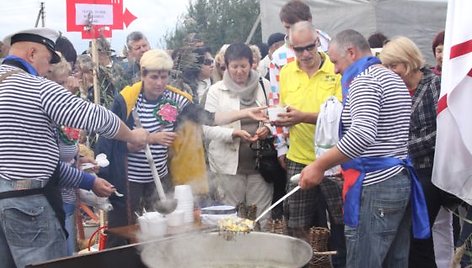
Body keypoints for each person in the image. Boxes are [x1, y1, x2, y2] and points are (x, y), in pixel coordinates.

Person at [0, 27, 148, 268]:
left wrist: (89, 182)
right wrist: (131, 134)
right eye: (47, 60)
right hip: (27, 205)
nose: (47, 69)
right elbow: (97, 118)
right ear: (32, 52)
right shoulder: (35, 87)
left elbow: (43, 163)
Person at [96, 48, 267, 248]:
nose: (159, 83)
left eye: (164, 76)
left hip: (159, 175)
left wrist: (244, 113)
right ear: (143, 75)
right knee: (122, 229)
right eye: (153, 77)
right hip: (129, 176)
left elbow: (207, 117)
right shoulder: (127, 100)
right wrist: (151, 138)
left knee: (164, 227)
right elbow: (112, 137)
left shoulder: (176, 99)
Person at [299, 29, 430, 267]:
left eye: (336, 61)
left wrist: (319, 165)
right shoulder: (391, 77)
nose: (335, 69)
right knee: (394, 262)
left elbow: (361, 135)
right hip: (398, 181)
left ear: (351, 52)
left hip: (376, 185)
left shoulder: (365, 81)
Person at [380, 35, 461, 268]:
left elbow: (445, 133)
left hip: (429, 171)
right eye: (386, 66)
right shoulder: (394, 90)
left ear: (408, 61)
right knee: (409, 236)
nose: (389, 71)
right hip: (400, 171)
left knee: (418, 234)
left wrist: (405, 147)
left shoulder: (434, 85)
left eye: (393, 65)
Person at [275, 21, 345, 267]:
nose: (305, 54)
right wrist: (278, 121)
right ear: (290, 47)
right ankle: (304, 263)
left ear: (318, 42)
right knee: (296, 222)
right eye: (298, 49)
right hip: (299, 156)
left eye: (309, 47)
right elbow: (285, 107)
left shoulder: (336, 69)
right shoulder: (285, 72)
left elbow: (342, 116)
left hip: (334, 159)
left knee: (341, 220)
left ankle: (342, 262)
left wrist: (304, 116)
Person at [203, 43, 274, 222]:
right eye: (234, 66)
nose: (239, 71)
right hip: (227, 166)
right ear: (226, 66)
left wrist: (268, 129)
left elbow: (275, 116)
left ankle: (260, 249)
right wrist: (232, 134)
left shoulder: (264, 86)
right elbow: (206, 128)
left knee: (261, 216)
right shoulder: (216, 91)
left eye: (243, 66)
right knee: (231, 217)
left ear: (252, 64)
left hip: (260, 165)